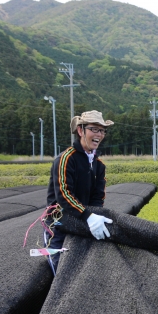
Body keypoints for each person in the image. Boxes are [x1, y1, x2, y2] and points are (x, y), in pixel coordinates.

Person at [44, 110, 114, 274]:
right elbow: (64, 195)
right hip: (59, 224)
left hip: (82, 222)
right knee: (60, 272)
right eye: (94, 129)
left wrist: (95, 214)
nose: (99, 134)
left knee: (85, 270)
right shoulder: (66, 158)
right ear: (81, 130)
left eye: (102, 130)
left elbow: (98, 196)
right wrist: (87, 216)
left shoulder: (99, 165)